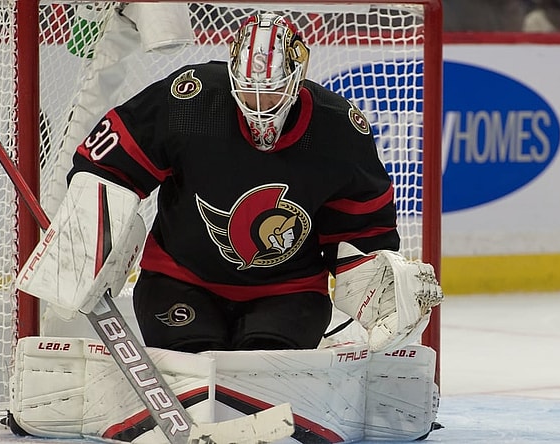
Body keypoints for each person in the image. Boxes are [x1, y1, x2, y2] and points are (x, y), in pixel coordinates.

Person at [60, 12, 441, 354]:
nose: (259, 102)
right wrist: (95, 234)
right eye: (248, 88)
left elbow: (365, 233)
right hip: (178, 280)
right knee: (194, 355)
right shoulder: (190, 102)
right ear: (232, 76)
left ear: (297, 78)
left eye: (272, 89)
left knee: (264, 365)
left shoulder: (338, 132)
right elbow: (104, 165)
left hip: (289, 293)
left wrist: (382, 289)